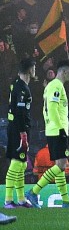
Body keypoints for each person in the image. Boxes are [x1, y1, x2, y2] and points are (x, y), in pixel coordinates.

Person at [27, 59, 69, 208]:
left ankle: (66, 200)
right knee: (61, 166)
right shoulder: (56, 86)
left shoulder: (54, 86)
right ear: (63, 71)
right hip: (57, 131)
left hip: (54, 130)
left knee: (59, 166)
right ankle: (34, 191)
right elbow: (53, 108)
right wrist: (61, 129)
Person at [4, 58, 36, 209]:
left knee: (22, 164)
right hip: (18, 129)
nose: (35, 71)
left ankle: (21, 199)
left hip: (17, 128)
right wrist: (23, 133)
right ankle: (9, 200)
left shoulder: (17, 85)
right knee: (17, 163)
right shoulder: (22, 89)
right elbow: (20, 112)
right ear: (30, 70)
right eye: (33, 68)